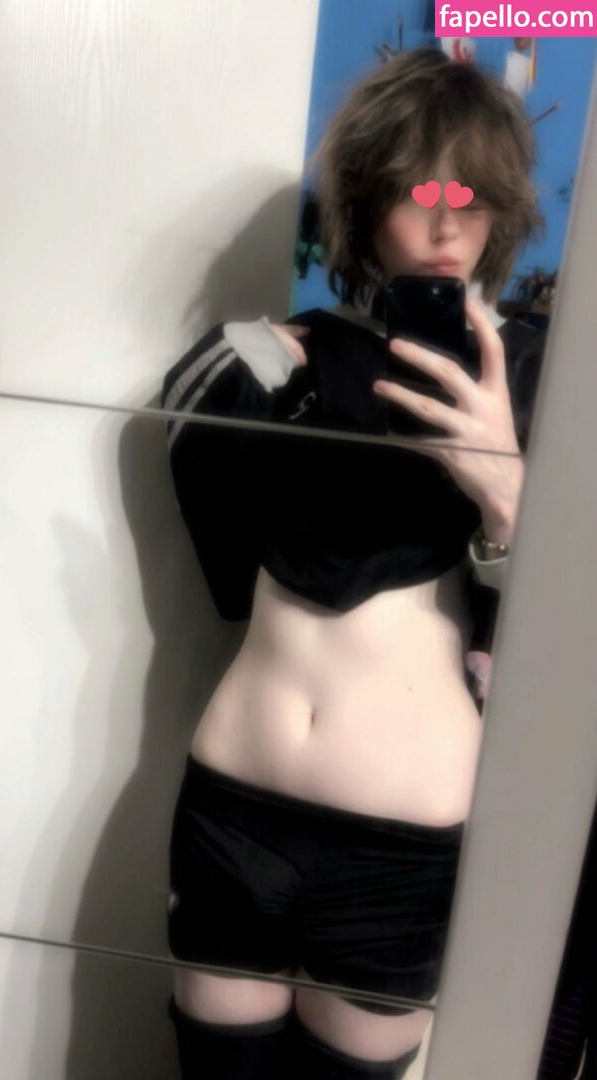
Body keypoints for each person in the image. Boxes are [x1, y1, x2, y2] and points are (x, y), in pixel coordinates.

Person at [160, 47, 547, 1079]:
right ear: (371, 201)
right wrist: (254, 369)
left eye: (471, 196)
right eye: (421, 191)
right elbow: (217, 537)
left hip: (400, 847)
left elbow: (568, 634)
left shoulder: (539, 377)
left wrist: (505, 485)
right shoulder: (279, 360)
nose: (447, 225)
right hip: (235, 810)